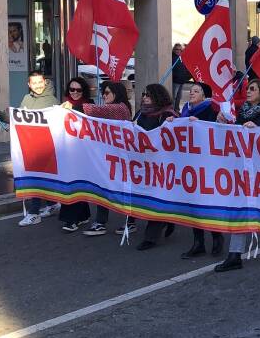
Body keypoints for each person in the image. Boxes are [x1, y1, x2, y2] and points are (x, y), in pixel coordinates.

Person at [214, 79, 260, 272]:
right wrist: (221, 122)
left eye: (253, 89)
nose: (248, 91)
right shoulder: (241, 111)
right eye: (248, 88)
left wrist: (258, 130)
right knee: (241, 209)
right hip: (242, 168)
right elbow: (232, 134)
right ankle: (235, 255)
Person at [0, 70, 59, 227]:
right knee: (39, 178)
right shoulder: (26, 98)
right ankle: (52, 204)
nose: (37, 86)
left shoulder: (52, 100)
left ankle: (34, 213)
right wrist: (0, 115)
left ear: (45, 82)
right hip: (30, 146)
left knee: (35, 178)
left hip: (45, 147)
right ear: (29, 85)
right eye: (34, 83)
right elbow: (19, 118)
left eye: (40, 82)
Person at [70, 81, 134, 234]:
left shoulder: (120, 109)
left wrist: (71, 108)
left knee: (123, 189)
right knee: (103, 187)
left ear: (116, 94)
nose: (103, 96)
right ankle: (101, 222)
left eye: (107, 93)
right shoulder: (114, 108)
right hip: (109, 156)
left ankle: (129, 221)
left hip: (121, 157)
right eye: (102, 93)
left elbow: (93, 110)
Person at [174, 82, 226, 257]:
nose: (192, 93)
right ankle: (198, 243)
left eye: (196, 91)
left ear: (204, 96)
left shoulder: (210, 109)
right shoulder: (185, 111)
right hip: (189, 162)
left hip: (207, 162)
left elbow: (217, 130)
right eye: (191, 90)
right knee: (193, 203)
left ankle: (217, 236)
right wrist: (172, 121)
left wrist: (201, 123)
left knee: (207, 202)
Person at [133, 84, 181, 251]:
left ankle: (150, 237)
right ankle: (166, 220)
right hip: (144, 163)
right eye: (143, 94)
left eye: (149, 95)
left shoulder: (167, 114)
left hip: (163, 165)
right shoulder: (141, 113)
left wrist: (173, 124)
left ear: (158, 96)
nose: (144, 97)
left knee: (156, 199)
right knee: (147, 197)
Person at [57, 77, 94, 229]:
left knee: (74, 185)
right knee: (73, 184)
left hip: (83, 153)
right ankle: (84, 214)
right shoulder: (63, 105)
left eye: (78, 90)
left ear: (83, 90)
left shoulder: (89, 106)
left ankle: (70, 219)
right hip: (67, 152)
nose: (75, 93)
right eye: (72, 89)